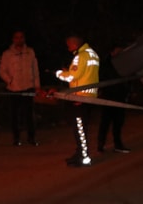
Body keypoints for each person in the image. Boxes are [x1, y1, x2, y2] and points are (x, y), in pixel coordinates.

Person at [56, 34, 100, 167]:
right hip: (90, 96)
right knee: (82, 128)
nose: (68, 48)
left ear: (74, 44)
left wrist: (58, 73)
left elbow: (72, 76)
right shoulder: (93, 54)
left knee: (79, 128)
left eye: (69, 45)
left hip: (79, 97)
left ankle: (83, 157)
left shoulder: (80, 56)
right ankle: (80, 153)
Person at [0, 30, 41, 146]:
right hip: (14, 88)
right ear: (13, 39)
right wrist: (10, 80)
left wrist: (37, 85)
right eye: (17, 37)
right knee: (15, 115)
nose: (19, 39)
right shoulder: (7, 54)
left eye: (21, 37)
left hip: (28, 87)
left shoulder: (30, 52)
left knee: (30, 115)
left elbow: (35, 69)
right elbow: (2, 70)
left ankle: (31, 138)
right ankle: (16, 139)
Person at [97, 45, 131, 154]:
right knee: (105, 122)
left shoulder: (123, 63)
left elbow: (127, 78)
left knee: (118, 123)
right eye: (118, 51)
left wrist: (128, 92)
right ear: (112, 52)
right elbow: (103, 78)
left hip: (120, 96)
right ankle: (100, 144)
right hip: (109, 96)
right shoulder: (106, 64)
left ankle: (118, 144)